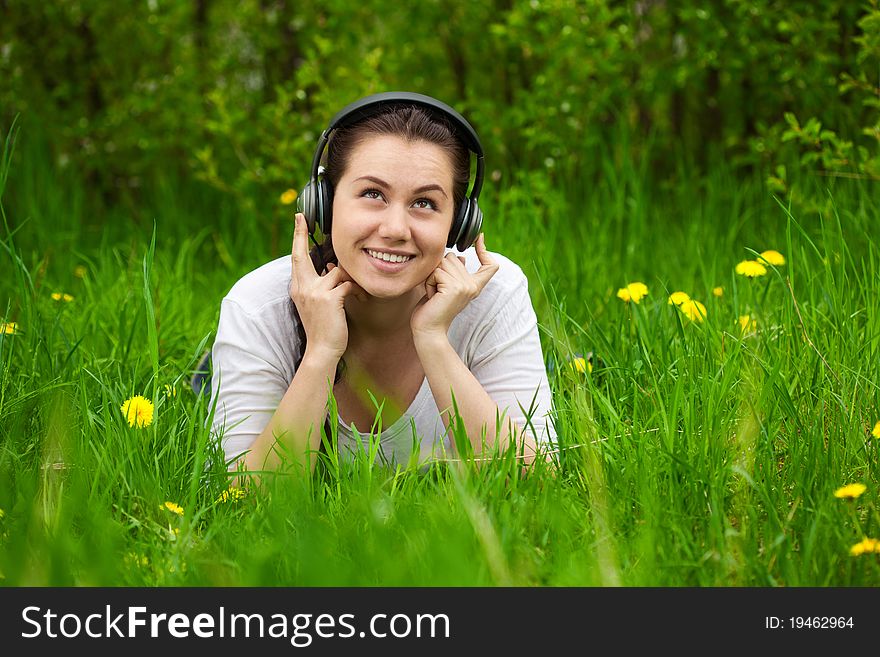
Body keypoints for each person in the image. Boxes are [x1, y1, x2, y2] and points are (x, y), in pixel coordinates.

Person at [207, 92, 556, 475]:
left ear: (459, 224)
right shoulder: (258, 306)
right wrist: (321, 351)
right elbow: (242, 502)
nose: (394, 230)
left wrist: (434, 339)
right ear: (323, 203)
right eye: (372, 194)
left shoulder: (494, 292)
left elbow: (535, 483)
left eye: (424, 203)